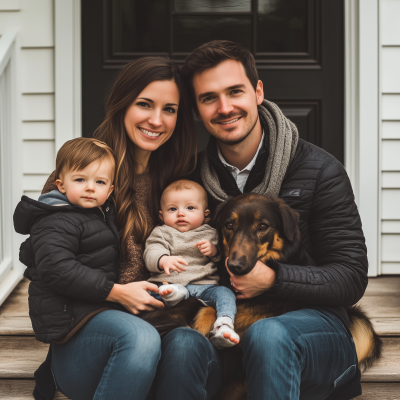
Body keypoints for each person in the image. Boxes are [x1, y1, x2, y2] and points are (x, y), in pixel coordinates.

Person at [150, 41, 368, 400]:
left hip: (311, 323)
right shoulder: (189, 182)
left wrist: (274, 278)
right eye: (209, 98)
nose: (225, 108)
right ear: (197, 109)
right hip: (225, 318)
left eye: (235, 91)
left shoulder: (319, 170)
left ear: (258, 91)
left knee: (269, 335)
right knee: (183, 344)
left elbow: (349, 277)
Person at [34, 57, 197, 400]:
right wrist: (116, 292)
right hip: (87, 338)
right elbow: (51, 266)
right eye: (144, 104)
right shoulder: (83, 176)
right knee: (138, 337)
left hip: (161, 331)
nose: (156, 120)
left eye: (169, 109)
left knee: (189, 343)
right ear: (122, 104)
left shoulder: (179, 185)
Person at [144, 179, 239, 348]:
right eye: (173, 209)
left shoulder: (211, 234)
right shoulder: (162, 232)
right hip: (170, 282)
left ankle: (224, 324)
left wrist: (214, 251)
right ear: (161, 215)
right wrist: (163, 260)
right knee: (157, 292)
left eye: (190, 208)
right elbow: (151, 252)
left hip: (204, 286)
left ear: (206, 214)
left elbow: (224, 257)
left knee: (225, 293)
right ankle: (175, 294)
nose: (181, 213)